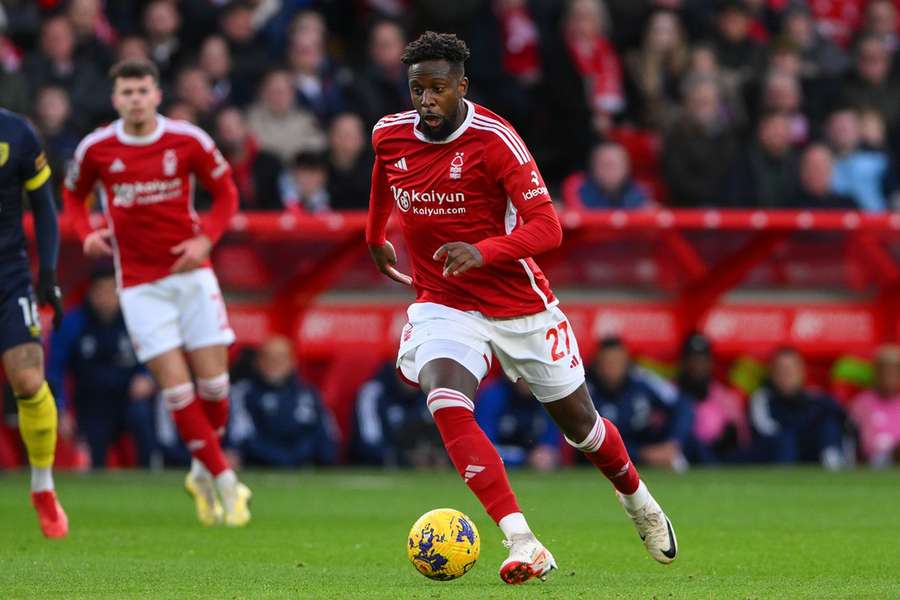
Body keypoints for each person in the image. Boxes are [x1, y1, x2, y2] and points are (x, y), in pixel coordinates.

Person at [367, 32, 678, 585]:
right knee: (444, 398)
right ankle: (523, 541)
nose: (426, 100)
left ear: (462, 86)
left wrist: (482, 251)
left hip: (519, 306)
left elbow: (548, 228)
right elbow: (383, 178)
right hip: (444, 301)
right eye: (417, 89)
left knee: (582, 427)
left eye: (438, 88)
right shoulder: (389, 135)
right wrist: (374, 237)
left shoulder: (495, 140)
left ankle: (639, 502)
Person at [62, 59, 251, 527]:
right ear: (115, 99)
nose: (135, 100)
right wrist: (85, 230)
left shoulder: (188, 140)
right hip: (141, 287)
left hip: (192, 275)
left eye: (142, 90)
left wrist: (205, 239)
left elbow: (226, 193)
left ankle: (200, 471)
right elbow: (73, 196)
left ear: (157, 94)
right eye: (126, 92)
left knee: (215, 387)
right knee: (179, 390)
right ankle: (228, 481)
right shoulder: (97, 148)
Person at [0, 107, 67, 537]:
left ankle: (43, 486)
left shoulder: (16, 132)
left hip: (8, 277)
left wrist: (48, 276)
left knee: (27, 380)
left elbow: (44, 208)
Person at [47, 265, 157, 469]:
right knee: (95, 457)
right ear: (91, 292)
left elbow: (157, 353)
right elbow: (55, 370)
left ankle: (151, 468)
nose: (106, 298)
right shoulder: (72, 323)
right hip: (91, 405)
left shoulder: (136, 322)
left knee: (142, 416)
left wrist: (147, 376)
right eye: (101, 291)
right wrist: (61, 410)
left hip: (128, 400)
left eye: (112, 291)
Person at [586, 337, 694, 471]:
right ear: (596, 364)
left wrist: (673, 443)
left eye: (616, 362)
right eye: (606, 363)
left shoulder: (642, 380)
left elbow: (681, 404)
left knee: (692, 443)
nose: (611, 368)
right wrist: (643, 455)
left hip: (646, 443)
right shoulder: (585, 389)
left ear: (626, 362)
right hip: (601, 458)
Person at [229, 337, 337, 468]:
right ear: (257, 362)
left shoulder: (308, 394)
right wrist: (281, 459)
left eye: (281, 357)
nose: (274, 363)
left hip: (303, 468)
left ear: (293, 362)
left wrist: (298, 457)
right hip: (258, 466)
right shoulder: (241, 393)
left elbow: (323, 437)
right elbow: (241, 437)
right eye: (268, 357)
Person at [748, 347, 846, 469]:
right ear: (772, 374)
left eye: (790, 370)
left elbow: (840, 418)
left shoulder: (815, 398)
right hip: (775, 452)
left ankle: (834, 470)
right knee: (785, 441)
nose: (786, 375)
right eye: (781, 370)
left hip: (808, 451)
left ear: (802, 372)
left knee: (829, 426)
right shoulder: (762, 398)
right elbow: (766, 431)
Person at [350, 362, 446, 468]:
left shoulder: (428, 394)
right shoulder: (374, 393)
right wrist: (402, 458)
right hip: (380, 464)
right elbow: (370, 441)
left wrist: (439, 454)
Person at [677, 332, 749, 463]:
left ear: (710, 362)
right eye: (692, 358)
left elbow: (742, 440)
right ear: (683, 361)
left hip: (718, 461)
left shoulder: (725, 397)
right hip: (680, 460)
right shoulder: (668, 393)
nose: (697, 365)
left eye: (702, 359)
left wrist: (729, 437)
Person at [476, 377, 562, 471]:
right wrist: (525, 459)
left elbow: (551, 442)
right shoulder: (492, 396)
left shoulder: (548, 398)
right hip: (499, 465)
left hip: (534, 467)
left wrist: (546, 453)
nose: (527, 380)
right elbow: (485, 448)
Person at [849, 345, 900, 467]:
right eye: (884, 369)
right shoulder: (861, 402)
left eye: (894, 370)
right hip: (872, 463)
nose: (889, 374)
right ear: (876, 371)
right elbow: (853, 440)